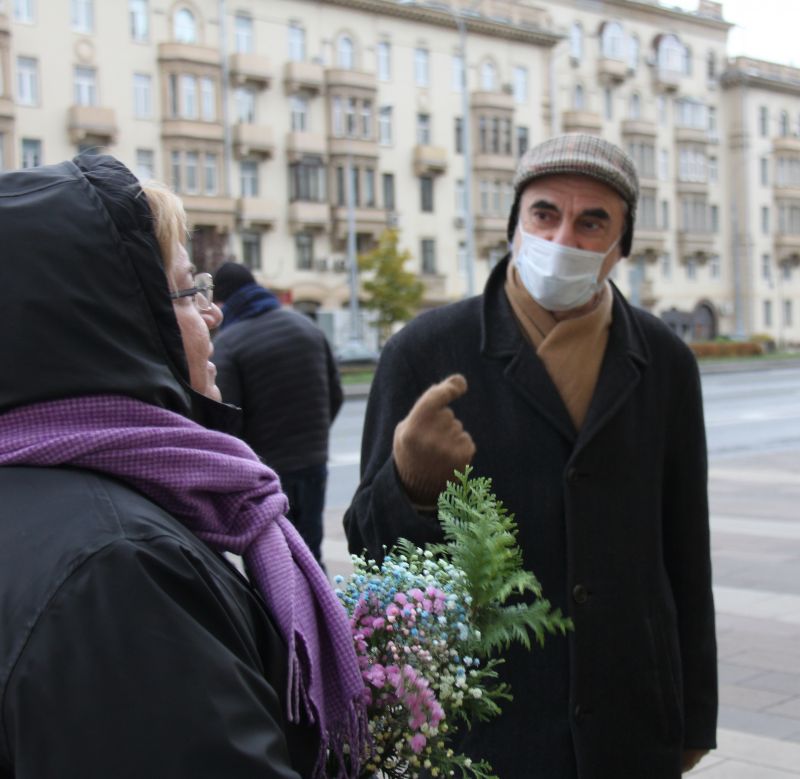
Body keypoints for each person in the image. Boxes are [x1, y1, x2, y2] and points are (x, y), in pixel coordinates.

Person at [344, 134, 717, 778]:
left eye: (592, 221)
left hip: (630, 718)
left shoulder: (665, 361)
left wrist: (693, 717)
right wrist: (411, 486)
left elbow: (686, 550)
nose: (562, 238)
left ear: (623, 245)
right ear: (514, 223)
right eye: (544, 214)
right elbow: (371, 553)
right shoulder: (425, 350)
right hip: (486, 723)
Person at [0, 156, 366, 778]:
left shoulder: (54, 500)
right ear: (118, 324)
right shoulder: (121, 569)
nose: (212, 312)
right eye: (186, 290)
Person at [211, 262, 343, 567]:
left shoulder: (229, 343)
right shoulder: (307, 328)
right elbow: (335, 394)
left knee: (272, 564)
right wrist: (315, 437)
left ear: (222, 300)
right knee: (311, 554)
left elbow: (225, 417)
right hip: (313, 461)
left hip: (265, 473)